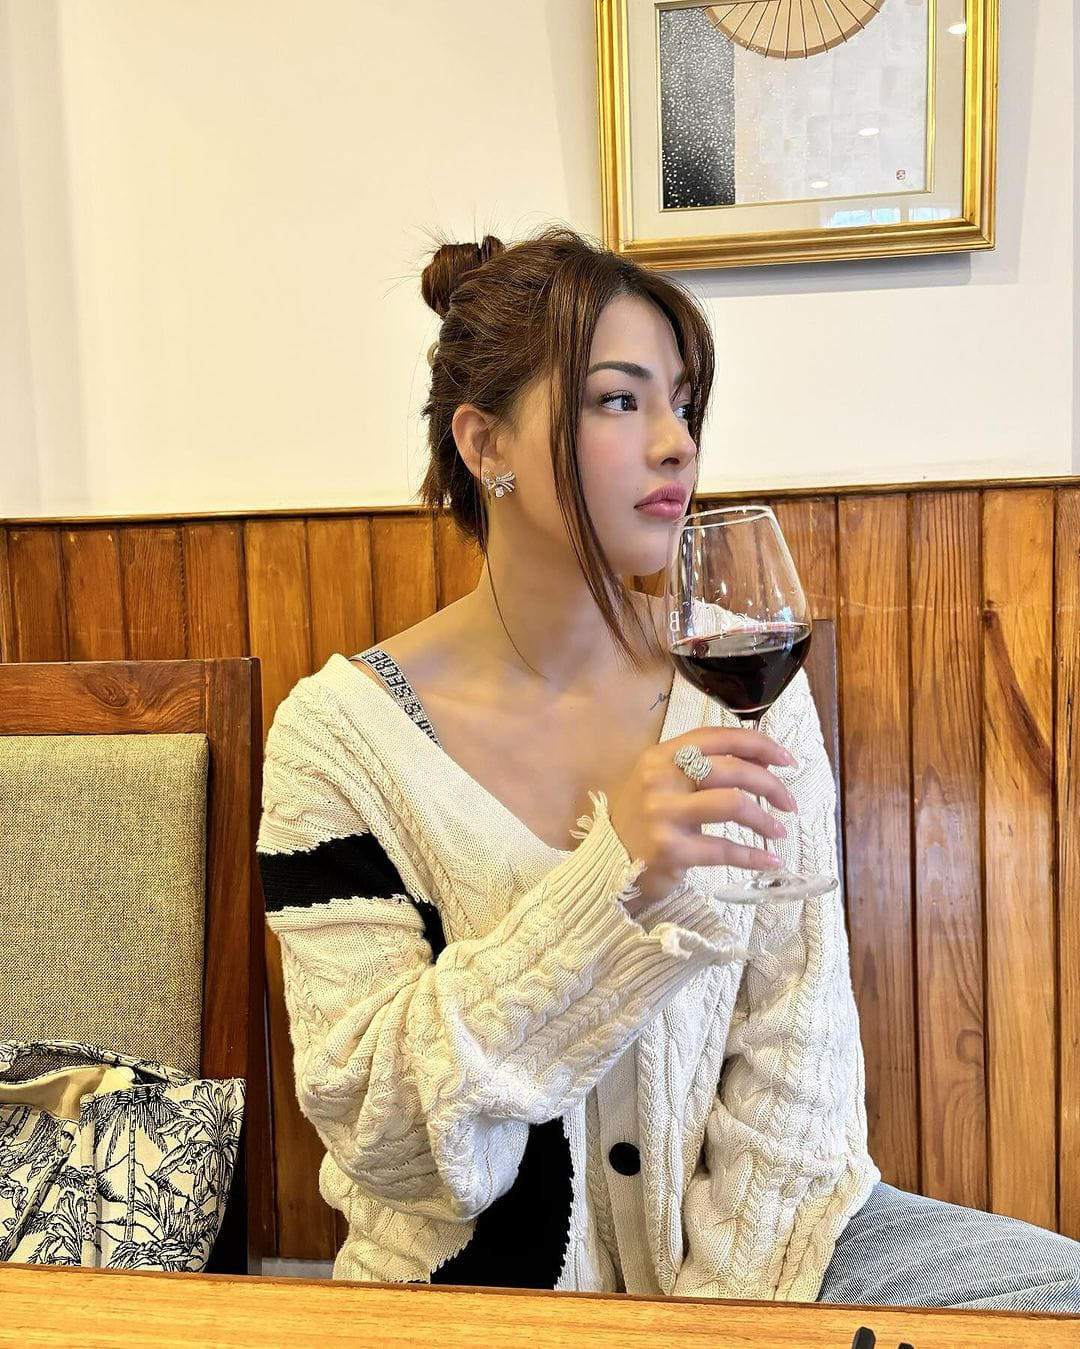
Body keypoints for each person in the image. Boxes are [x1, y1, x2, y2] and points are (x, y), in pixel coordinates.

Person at [257, 228, 1080, 1309]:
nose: (676, 444)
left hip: (769, 1256)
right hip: (477, 1291)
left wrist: (719, 1321)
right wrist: (615, 881)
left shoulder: (742, 680)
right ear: (485, 441)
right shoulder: (339, 738)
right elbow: (382, 1130)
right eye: (619, 400)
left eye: (684, 405)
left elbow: (799, 1047)